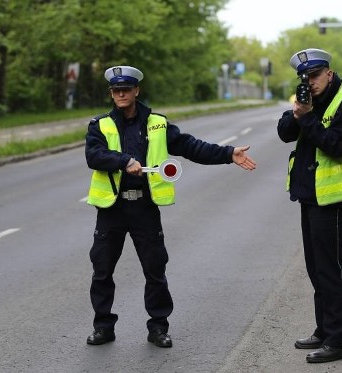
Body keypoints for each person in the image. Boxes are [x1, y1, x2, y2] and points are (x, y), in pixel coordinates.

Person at [85, 65, 257, 348]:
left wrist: (228, 153)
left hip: (144, 207)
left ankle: (158, 328)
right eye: (116, 91)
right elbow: (94, 155)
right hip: (112, 209)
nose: (121, 94)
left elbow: (190, 146)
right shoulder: (100, 125)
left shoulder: (157, 124)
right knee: (102, 270)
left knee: (155, 270)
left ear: (136, 91)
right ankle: (103, 327)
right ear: (111, 94)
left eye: (126, 89)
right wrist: (124, 161)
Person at [277, 49, 342, 363]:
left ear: (328, 73)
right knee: (317, 269)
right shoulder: (307, 100)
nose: (310, 82)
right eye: (305, 78)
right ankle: (324, 329)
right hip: (310, 194)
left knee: (332, 270)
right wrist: (297, 112)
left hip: (335, 200)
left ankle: (339, 340)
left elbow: (337, 147)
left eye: (315, 76)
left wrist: (308, 118)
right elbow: (284, 134)